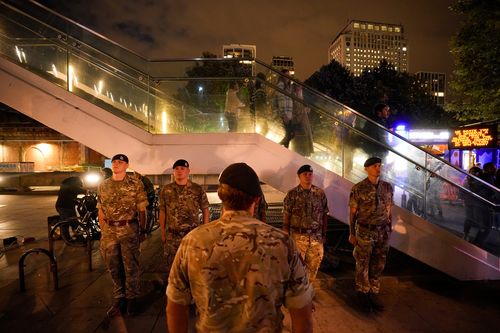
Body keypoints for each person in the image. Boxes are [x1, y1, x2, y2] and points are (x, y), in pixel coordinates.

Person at [166, 163, 314, 332]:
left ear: (221, 197)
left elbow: (175, 307)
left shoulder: (192, 241)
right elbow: (302, 313)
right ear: (256, 199)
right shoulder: (283, 243)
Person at [97, 154, 148, 317]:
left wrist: (142, 230)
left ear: (127, 165)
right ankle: (120, 297)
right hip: (109, 231)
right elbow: (101, 209)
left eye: (120, 162)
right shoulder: (104, 185)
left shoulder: (135, 184)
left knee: (130, 265)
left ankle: (132, 297)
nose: (116, 164)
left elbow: (142, 209)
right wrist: (102, 228)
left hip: (129, 229)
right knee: (113, 265)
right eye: (114, 162)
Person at [349, 157, 394, 312]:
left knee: (378, 263)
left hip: (382, 232)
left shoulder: (387, 187)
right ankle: (362, 293)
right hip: (365, 231)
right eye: (374, 166)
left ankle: (373, 292)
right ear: (366, 169)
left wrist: (390, 227)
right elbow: (352, 213)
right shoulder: (358, 188)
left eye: (379, 165)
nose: (378, 168)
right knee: (362, 263)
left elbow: (389, 208)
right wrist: (351, 233)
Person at [158, 159, 209, 277]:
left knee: (191, 268)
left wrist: (205, 230)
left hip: (191, 235)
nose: (179, 171)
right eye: (176, 169)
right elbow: (162, 211)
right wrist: (162, 230)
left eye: (182, 168)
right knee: (171, 269)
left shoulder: (197, 189)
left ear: (188, 171)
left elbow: (205, 209)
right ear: (173, 172)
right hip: (172, 235)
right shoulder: (166, 190)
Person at [283, 164, 329, 281]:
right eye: (305, 174)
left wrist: (323, 234)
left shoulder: (319, 194)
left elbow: (324, 215)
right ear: (299, 176)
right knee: (296, 268)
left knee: (313, 268)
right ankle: (298, 293)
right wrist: (286, 235)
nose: (308, 177)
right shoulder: (292, 194)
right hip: (298, 237)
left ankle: (308, 291)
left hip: (316, 238)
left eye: (310, 174)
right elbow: (287, 215)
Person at [55, 176, 85, 241]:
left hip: (68, 207)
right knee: (66, 223)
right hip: (63, 207)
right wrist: (87, 191)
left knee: (73, 222)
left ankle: (78, 236)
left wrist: (77, 201)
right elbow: (79, 190)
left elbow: (71, 196)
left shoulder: (66, 186)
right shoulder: (70, 187)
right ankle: (67, 239)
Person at [275, 69, 294, 148]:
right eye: (286, 75)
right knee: (290, 134)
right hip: (285, 114)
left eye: (288, 75)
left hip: (288, 114)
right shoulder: (281, 85)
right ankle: (278, 147)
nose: (288, 77)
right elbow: (281, 100)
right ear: (282, 76)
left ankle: (283, 149)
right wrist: (284, 114)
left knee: (289, 134)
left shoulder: (288, 86)